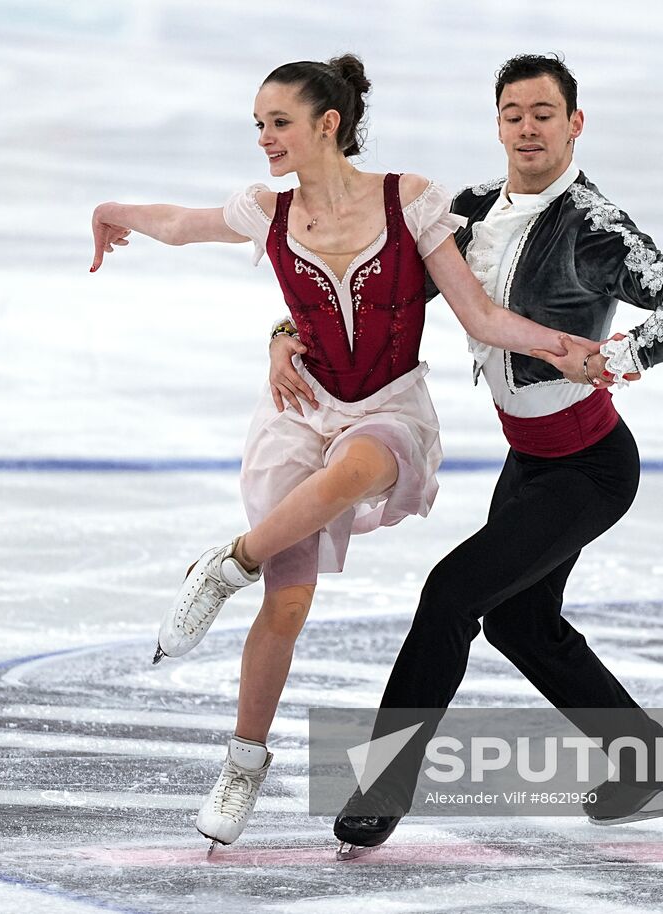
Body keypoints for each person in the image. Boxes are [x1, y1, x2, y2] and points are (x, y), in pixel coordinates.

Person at [89, 54, 602, 850]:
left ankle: (226, 564)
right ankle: (243, 763)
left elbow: (480, 315)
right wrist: (112, 209)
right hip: (301, 412)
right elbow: (182, 224)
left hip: (388, 410)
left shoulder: (410, 200)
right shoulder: (269, 211)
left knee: (360, 466)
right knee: (287, 604)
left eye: (279, 123)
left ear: (328, 125)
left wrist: (564, 347)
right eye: (258, 125)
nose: (265, 138)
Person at [267, 54, 663, 854]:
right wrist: (285, 336)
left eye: (545, 113)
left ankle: (383, 791)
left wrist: (614, 358)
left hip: (589, 466)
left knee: (451, 595)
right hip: (531, 462)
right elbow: (375, 287)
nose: (528, 127)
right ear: (498, 123)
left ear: (575, 124)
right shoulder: (469, 211)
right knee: (519, 620)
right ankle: (648, 760)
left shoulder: (594, 225)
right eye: (513, 113)